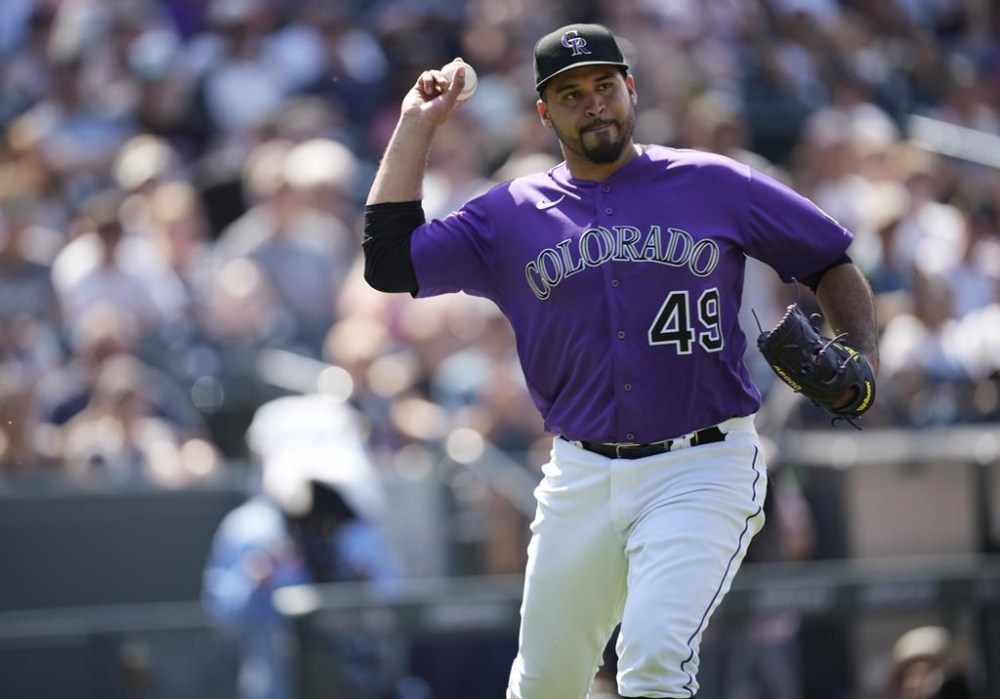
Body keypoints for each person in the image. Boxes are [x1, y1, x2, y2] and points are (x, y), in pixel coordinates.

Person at [362, 23, 879, 699]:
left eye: (605, 85)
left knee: (655, 659)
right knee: (546, 682)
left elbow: (829, 261)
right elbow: (389, 262)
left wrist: (862, 352)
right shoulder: (511, 213)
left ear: (630, 88)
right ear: (545, 112)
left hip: (703, 463)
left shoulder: (712, 182)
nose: (595, 103)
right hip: (579, 470)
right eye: (572, 94)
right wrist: (416, 125)